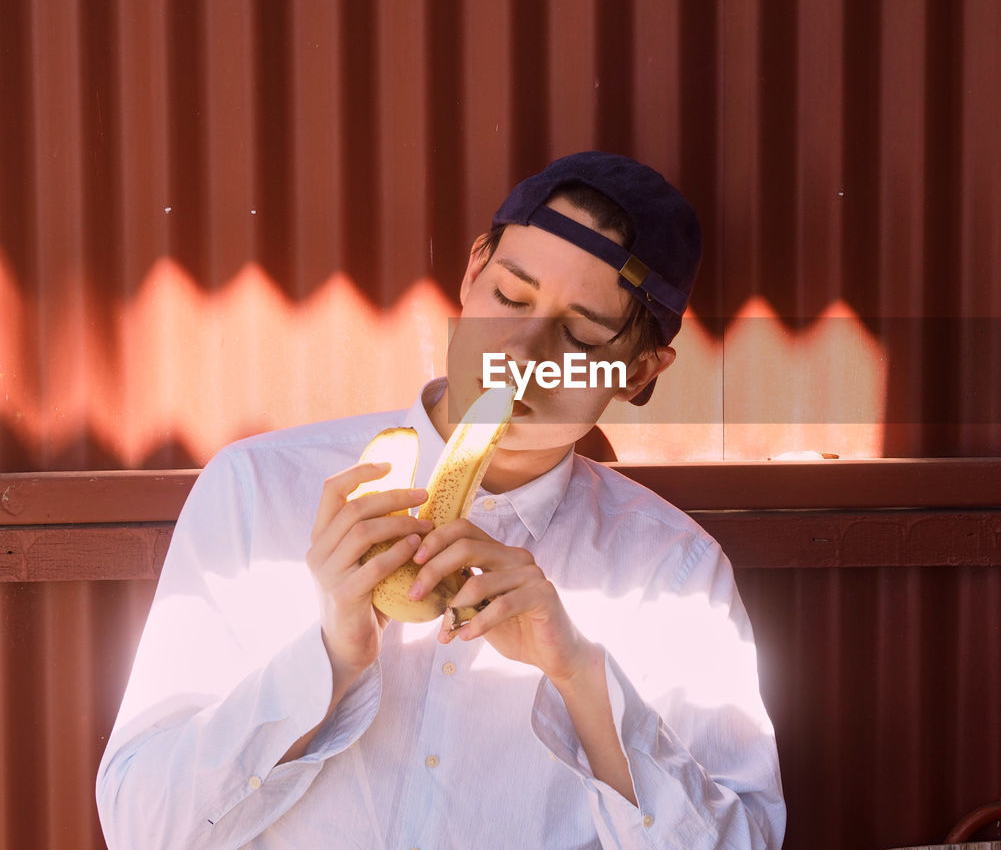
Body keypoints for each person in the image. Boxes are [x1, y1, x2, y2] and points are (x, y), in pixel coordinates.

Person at [96, 151, 786, 849]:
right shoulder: (257, 490)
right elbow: (143, 829)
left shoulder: (675, 574)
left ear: (637, 373)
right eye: (510, 298)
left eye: (578, 338)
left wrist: (580, 678)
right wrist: (329, 658)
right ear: (473, 271)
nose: (518, 354)